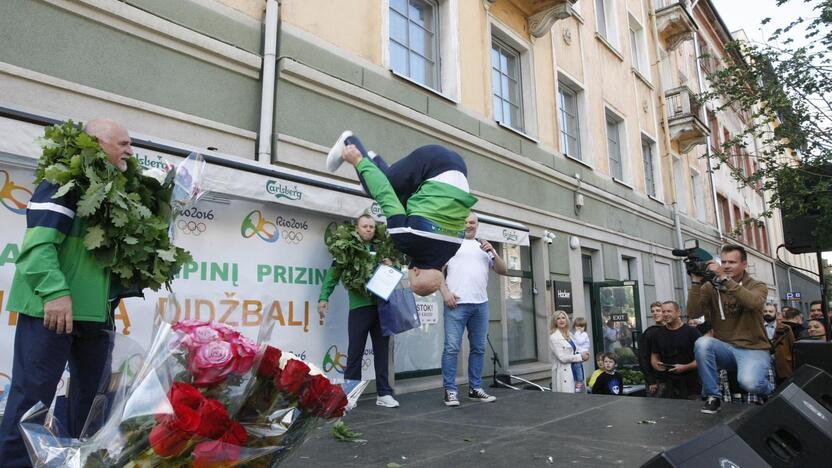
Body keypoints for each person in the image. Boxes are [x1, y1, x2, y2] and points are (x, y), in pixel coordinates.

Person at [0, 120, 135, 466]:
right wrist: (55, 292)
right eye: (122, 143)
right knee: (31, 401)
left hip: (95, 315)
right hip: (52, 309)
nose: (130, 151)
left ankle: (81, 462)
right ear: (94, 143)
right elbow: (37, 248)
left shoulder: (115, 191)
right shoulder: (63, 181)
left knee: (93, 406)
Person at [328, 132, 477, 296]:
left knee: (399, 198)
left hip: (460, 168)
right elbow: (386, 195)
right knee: (376, 187)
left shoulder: (452, 248)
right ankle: (349, 143)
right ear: (417, 272)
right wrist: (358, 161)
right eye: (410, 275)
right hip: (432, 163)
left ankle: (374, 161)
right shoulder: (407, 241)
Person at [318, 214, 399, 408]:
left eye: (372, 226)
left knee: (382, 353)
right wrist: (323, 298)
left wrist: (391, 266)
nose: (369, 229)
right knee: (355, 352)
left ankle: (384, 394)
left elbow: (394, 275)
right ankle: (350, 395)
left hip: (382, 308)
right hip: (359, 308)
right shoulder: (347, 248)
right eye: (365, 226)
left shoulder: (381, 249)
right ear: (357, 228)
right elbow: (333, 274)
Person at [688, 245, 773, 414]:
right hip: (725, 348)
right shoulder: (710, 287)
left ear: (744, 264)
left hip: (753, 348)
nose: (726, 266)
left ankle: (771, 391)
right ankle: (713, 397)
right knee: (702, 343)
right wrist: (696, 283)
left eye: (732, 262)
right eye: (724, 261)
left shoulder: (757, 285)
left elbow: (753, 303)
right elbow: (693, 313)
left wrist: (725, 279)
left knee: (750, 384)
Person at [438, 213, 507, 406]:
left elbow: (503, 270)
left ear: (477, 225)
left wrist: (493, 251)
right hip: (456, 304)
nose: (469, 225)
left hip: (480, 305)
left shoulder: (484, 247)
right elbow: (436, 271)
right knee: (451, 349)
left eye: (472, 222)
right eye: (466, 222)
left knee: (479, 348)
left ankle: (475, 388)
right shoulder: (451, 244)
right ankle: (450, 391)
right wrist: (445, 293)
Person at [650, 301, 701, 399]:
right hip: (668, 385)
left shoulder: (692, 332)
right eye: (663, 311)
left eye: (669, 311)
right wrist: (657, 365)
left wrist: (685, 367)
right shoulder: (657, 334)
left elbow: (702, 358)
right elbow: (654, 356)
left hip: (691, 384)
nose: (665, 314)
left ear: (678, 312)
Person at [549, 310, 589, 393]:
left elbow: (576, 350)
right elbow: (562, 358)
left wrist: (584, 354)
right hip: (565, 372)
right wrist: (580, 356)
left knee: (580, 397)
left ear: (566, 320)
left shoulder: (570, 334)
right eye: (558, 318)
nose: (561, 320)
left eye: (563, 318)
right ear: (555, 321)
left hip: (577, 370)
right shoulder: (554, 337)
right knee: (568, 399)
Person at [638, 302, 665, 397]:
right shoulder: (649, 333)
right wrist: (651, 381)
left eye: (658, 311)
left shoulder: (671, 330)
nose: (655, 313)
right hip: (656, 379)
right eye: (653, 311)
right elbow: (643, 357)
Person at [572, 317, 591, 392]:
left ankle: (579, 381)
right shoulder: (576, 334)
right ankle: (578, 381)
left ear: (585, 327)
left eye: (582, 327)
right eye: (577, 327)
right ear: (574, 326)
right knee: (576, 367)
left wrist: (577, 333)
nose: (579, 328)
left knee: (578, 366)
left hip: (583, 352)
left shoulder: (584, 334)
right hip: (578, 353)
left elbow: (579, 342)